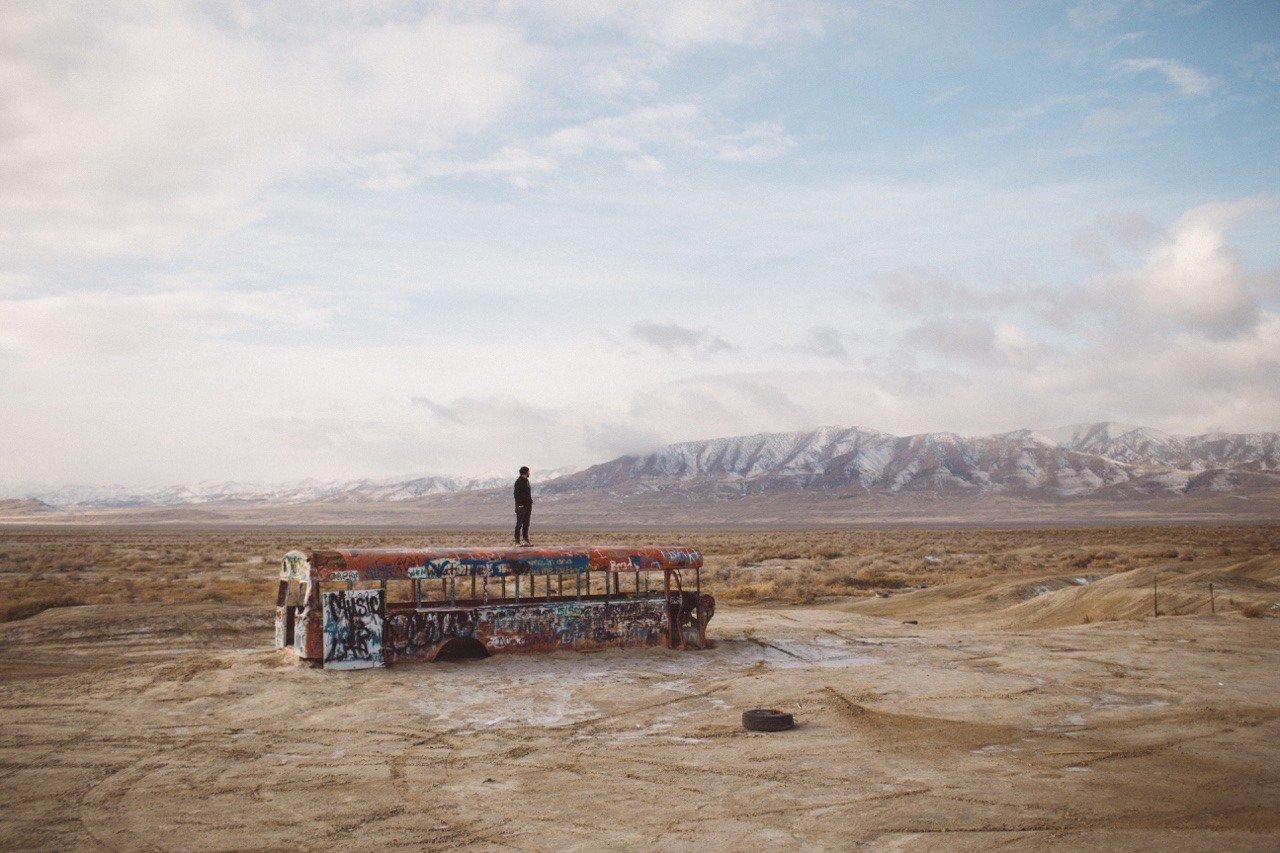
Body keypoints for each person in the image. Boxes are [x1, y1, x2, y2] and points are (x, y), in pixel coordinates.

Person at [513, 466, 533, 546]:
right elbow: (516, 494)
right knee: (519, 523)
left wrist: (530, 501)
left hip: (528, 506)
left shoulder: (526, 481)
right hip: (521, 506)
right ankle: (517, 541)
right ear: (525, 472)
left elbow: (527, 493)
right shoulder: (518, 482)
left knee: (526, 523)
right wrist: (520, 504)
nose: (529, 473)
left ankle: (525, 540)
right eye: (528, 472)